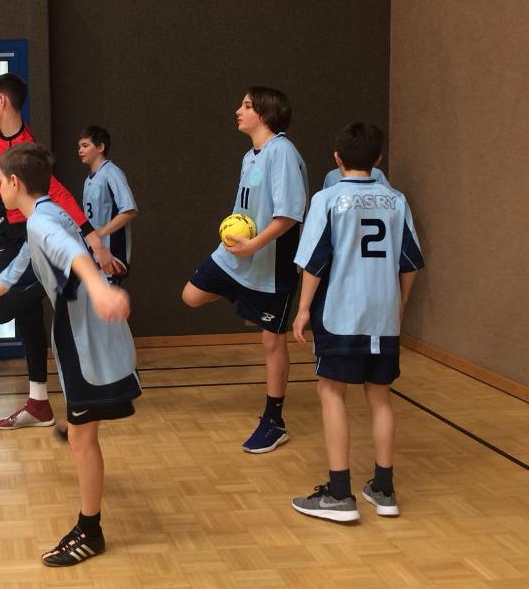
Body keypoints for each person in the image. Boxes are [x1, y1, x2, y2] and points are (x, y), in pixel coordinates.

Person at [0, 143, 140, 566]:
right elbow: (13, 273)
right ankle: (81, 424)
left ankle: (90, 531)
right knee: (82, 428)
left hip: (84, 334)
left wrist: (99, 290)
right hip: (85, 329)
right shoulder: (47, 213)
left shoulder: (41, 223)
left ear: (14, 183)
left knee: (82, 437)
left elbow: (74, 256)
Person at [290, 122, 423, 521]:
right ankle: (384, 489)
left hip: (340, 314)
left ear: (337, 159)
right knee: (380, 396)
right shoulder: (396, 201)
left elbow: (314, 261)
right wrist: (399, 305)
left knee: (331, 392)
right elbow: (410, 262)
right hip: (383, 315)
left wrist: (303, 309)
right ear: (378, 159)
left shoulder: (328, 199)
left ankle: (339, 494)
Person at [0, 73, 115, 430]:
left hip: (23, 235)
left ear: (3, 101)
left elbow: (58, 192)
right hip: (8, 229)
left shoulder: (26, 146)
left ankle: (61, 279)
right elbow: (2, 174)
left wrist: (93, 238)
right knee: (28, 318)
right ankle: (39, 403)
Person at [181, 87, 308, 453]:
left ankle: (274, 421)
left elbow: (290, 215)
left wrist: (254, 245)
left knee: (271, 340)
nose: (238, 110)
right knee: (191, 295)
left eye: (247, 105)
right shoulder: (250, 156)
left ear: (264, 114)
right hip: (237, 256)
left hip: (271, 262)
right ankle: (246, 301)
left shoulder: (282, 151)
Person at [77, 125, 138, 282]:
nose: (80, 150)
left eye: (85, 145)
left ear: (100, 147)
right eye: (79, 147)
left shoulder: (111, 172)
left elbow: (129, 210)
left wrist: (100, 233)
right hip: (94, 252)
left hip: (111, 253)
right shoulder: (88, 180)